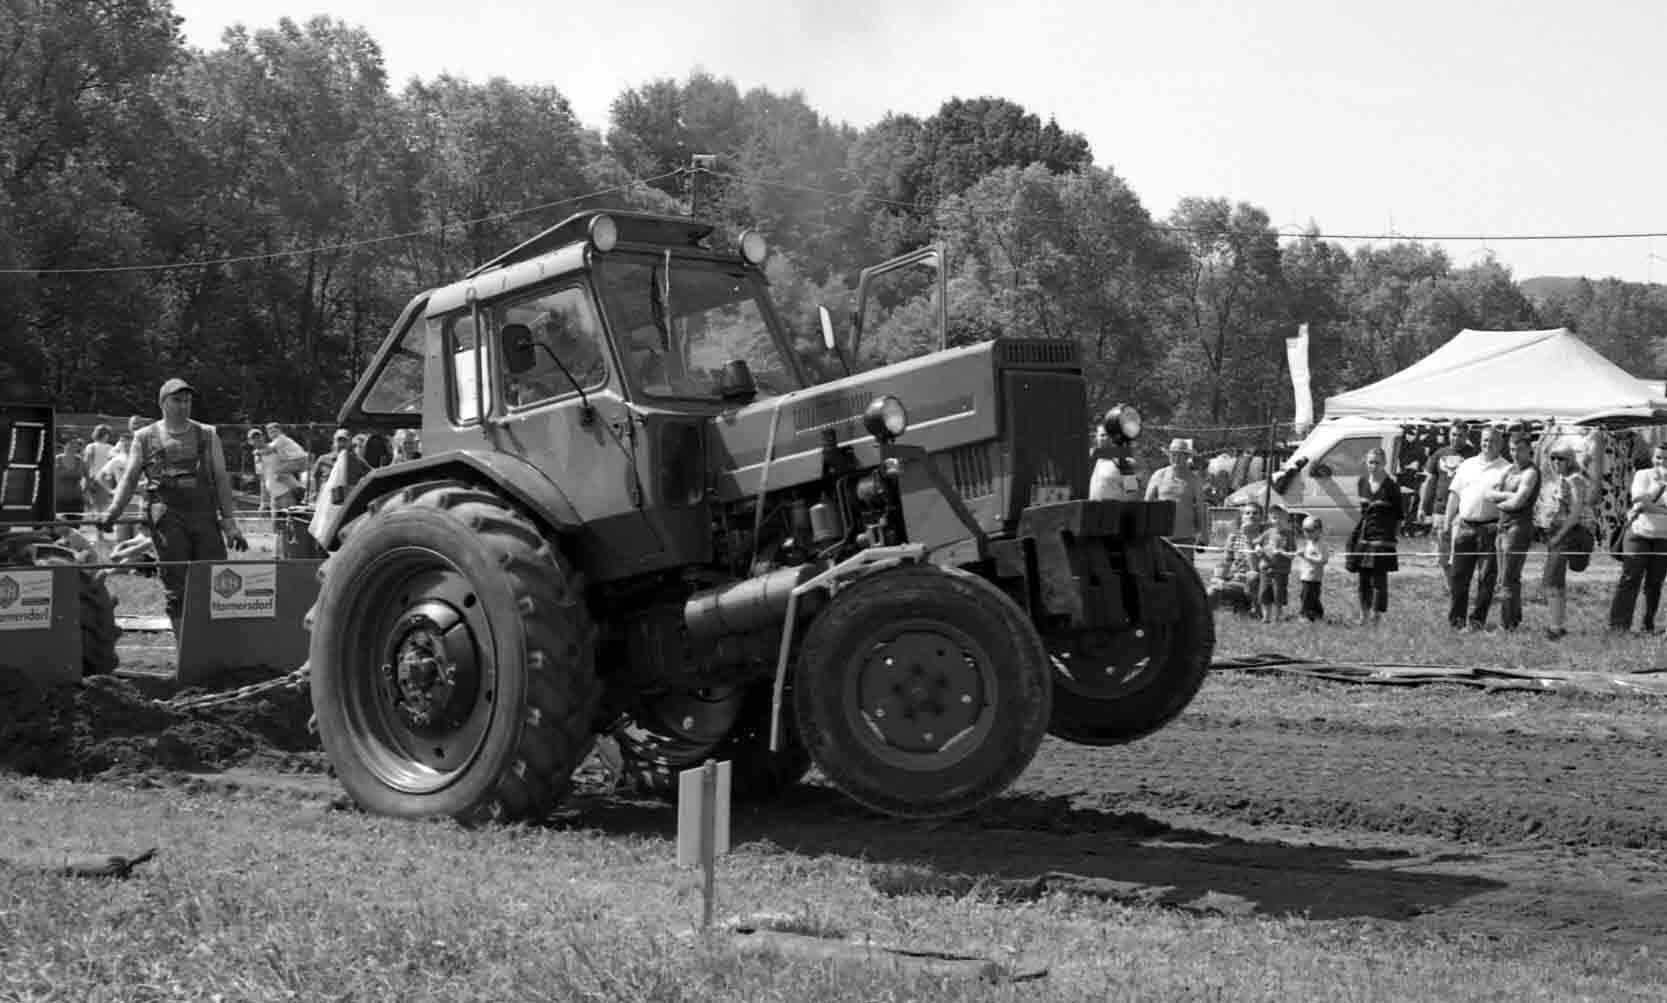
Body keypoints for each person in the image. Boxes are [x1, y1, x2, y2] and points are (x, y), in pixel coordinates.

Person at [98, 378, 248, 638]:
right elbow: (130, 477)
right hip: (165, 517)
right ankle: (184, 648)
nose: (184, 405)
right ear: (162, 403)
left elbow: (221, 478)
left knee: (214, 580)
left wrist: (230, 522)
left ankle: (214, 644)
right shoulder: (144, 437)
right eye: (177, 400)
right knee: (176, 586)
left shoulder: (207, 433)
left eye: (187, 400)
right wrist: (113, 511)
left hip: (204, 516)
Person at [1444, 425, 1511, 630]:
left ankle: (1476, 622)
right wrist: (1447, 522)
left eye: (1492, 441)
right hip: (1464, 526)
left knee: (1486, 578)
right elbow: (1454, 494)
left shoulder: (1507, 469)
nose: (1487, 444)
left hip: (1490, 529)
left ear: (1500, 444)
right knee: (1458, 577)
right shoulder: (1467, 465)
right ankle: (1456, 622)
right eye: (1484, 440)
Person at [1608, 442, 1667, 634]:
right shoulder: (1643, 475)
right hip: (1638, 534)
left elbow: (1646, 505)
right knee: (1629, 579)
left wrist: (1650, 506)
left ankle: (1646, 625)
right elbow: (1638, 500)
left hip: (1663, 539)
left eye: (1666, 458)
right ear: (1653, 457)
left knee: (1655, 584)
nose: (1662, 461)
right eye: (1658, 457)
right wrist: (1659, 491)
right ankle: (1618, 626)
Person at [1485, 432, 1541, 632]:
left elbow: (1519, 501)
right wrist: (1508, 496)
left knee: (1508, 578)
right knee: (1505, 577)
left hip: (1519, 528)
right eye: (1512, 449)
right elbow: (1488, 493)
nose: (1516, 454)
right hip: (1502, 526)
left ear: (1529, 450)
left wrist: (1501, 500)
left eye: (1520, 449)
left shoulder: (1531, 472)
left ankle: (1506, 624)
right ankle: (1514, 620)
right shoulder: (1509, 470)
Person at [1541, 443, 1593, 640]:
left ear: (1570, 460)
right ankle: (1557, 626)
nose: (1555, 462)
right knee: (1555, 582)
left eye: (1561, 458)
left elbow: (1576, 513)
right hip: (1563, 531)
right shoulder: (1562, 479)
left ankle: (1555, 628)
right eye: (1553, 457)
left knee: (1552, 580)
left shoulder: (1575, 479)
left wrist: (1558, 535)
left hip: (1573, 532)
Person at [1352, 446, 1404, 624]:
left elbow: (1399, 516)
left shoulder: (1391, 486)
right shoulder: (1362, 482)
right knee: (1363, 578)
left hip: (1383, 537)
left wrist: (1393, 538)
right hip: (1365, 535)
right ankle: (1363, 614)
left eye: (1377, 462)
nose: (1373, 465)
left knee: (1378, 578)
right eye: (1370, 462)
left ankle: (1376, 615)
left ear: (1384, 463)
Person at [1420, 423, 1475, 590]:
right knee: (1443, 556)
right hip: (1440, 510)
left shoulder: (1474, 456)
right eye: (1453, 434)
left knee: (1458, 554)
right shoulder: (1439, 454)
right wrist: (1422, 507)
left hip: (1462, 511)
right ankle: (1451, 588)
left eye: (1459, 435)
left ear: (1466, 436)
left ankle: (1460, 587)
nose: (1455, 438)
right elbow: (1429, 481)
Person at [1144, 438, 1212, 557]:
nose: (1176, 458)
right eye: (1173, 455)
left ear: (1186, 457)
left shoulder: (1194, 479)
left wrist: (1204, 534)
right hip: (1160, 536)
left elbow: (1201, 510)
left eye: (1180, 455)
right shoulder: (1159, 475)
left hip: (1185, 537)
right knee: (1160, 572)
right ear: (1169, 456)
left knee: (1184, 573)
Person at [1209, 500, 1266, 614]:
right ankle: (1205, 616)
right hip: (1237, 581)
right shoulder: (1234, 536)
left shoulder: (1266, 536)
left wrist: (1249, 538)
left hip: (1260, 582)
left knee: (1252, 576)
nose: (1251, 516)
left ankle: (1257, 610)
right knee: (1211, 591)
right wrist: (1218, 577)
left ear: (1261, 517)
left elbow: (1255, 568)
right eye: (1247, 513)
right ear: (1242, 517)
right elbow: (1226, 561)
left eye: (1255, 513)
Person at [1253, 508, 1296, 623]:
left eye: (1281, 518)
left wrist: (1281, 552)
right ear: (1270, 519)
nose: (1277, 521)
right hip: (1266, 568)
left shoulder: (1289, 535)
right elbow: (1256, 542)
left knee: (1278, 594)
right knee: (1265, 593)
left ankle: (1278, 617)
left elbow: (1293, 555)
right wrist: (1258, 547)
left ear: (1287, 519)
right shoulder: (1268, 532)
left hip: (1281, 571)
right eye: (1274, 518)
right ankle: (1266, 617)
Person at [310, 428, 370, 503]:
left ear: (349, 443)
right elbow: (315, 476)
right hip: (326, 500)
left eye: (345, 441)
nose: (341, 444)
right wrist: (316, 492)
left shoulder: (357, 461)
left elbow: (371, 475)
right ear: (334, 442)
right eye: (339, 440)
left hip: (348, 501)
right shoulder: (323, 459)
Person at [1294, 515, 1331, 623]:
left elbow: (1323, 560)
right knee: (1308, 596)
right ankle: (1318, 613)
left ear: (1319, 530)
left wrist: (1305, 556)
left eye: (1310, 530)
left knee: (1307, 597)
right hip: (1306, 575)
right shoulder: (1309, 542)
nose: (1307, 533)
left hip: (1314, 577)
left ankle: (1305, 615)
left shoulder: (1321, 544)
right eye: (1305, 530)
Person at [53, 435, 87, 521]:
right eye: (71, 443)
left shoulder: (81, 461)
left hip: (76, 500)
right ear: (65, 445)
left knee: (75, 527)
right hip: (59, 500)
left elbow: (88, 478)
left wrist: (85, 492)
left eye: (76, 444)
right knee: (58, 528)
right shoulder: (56, 460)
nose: (73, 446)